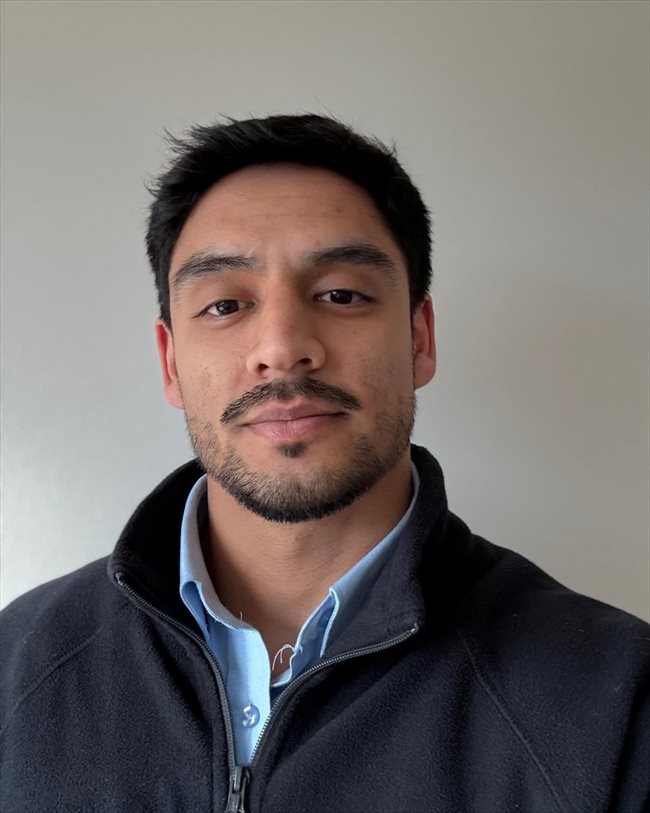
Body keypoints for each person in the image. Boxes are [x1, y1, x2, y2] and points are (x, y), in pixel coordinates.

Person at [1, 114, 648, 813]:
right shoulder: (16, 665)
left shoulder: (615, 703)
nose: (282, 348)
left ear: (419, 338)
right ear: (171, 363)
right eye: (225, 304)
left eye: (340, 294)